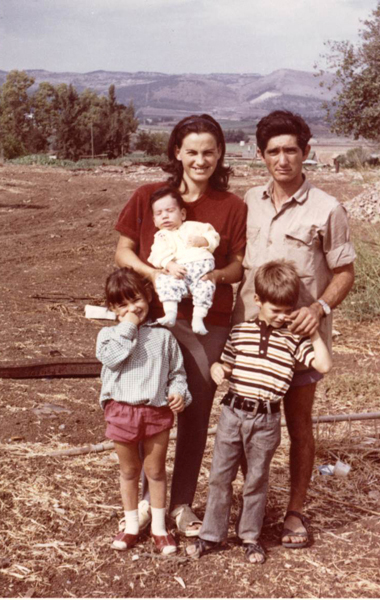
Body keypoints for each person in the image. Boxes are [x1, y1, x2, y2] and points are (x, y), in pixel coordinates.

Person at [114, 114, 247, 536]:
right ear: (177, 152)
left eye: (209, 151)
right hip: (156, 318)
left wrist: (213, 277)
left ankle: (181, 505)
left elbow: (237, 265)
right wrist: (155, 274)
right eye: (192, 151)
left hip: (209, 321)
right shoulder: (149, 197)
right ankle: (143, 506)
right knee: (146, 406)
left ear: (220, 153)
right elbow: (123, 252)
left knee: (195, 405)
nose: (200, 160)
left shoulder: (232, 206)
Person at [233, 110, 356, 548]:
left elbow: (345, 273)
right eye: (273, 152)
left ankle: (295, 511)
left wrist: (319, 308)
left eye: (291, 150)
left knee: (299, 425)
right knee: (247, 424)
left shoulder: (327, 208)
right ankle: (255, 506)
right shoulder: (248, 200)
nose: (282, 160)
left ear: (306, 152)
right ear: (260, 155)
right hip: (252, 338)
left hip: (300, 340)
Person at [186, 260, 332, 564]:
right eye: (275, 310)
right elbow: (227, 364)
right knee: (220, 476)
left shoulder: (293, 340)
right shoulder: (240, 332)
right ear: (257, 301)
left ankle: (250, 536)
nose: (282, 317)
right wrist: (218, 368)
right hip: (232, 413)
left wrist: (314, 333)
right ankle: (211, 534)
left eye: (287, 310)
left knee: (256, 479)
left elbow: (324, 365)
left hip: (266, 419)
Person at [96, 267, 192, 554]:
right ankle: (131, 526)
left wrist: (179, 392)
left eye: (136, 300)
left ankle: (159, 528)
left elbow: (177, 373)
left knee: (156, 471)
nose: (132, 309)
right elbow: (112, 359)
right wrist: (128, 326)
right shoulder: (108, 335)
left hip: (156, 412)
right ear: (112, 308)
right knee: (129, 471)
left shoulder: (163, 337)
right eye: (122, 305)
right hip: (121, 411)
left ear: (148, 296)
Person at [148, 185, 220, 335]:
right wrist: (169, 264)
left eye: (170, 211)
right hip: (180, 271)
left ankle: (198, 318)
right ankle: (170, 313)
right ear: (154, 221)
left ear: (182, 214)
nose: (165, 216)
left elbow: (213, 235)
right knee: (165, 281)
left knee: (206, 287)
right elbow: (157, 255)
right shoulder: (161, 236)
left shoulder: (195, 227)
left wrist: (204, 241)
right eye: (159, 214)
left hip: (201, 269)